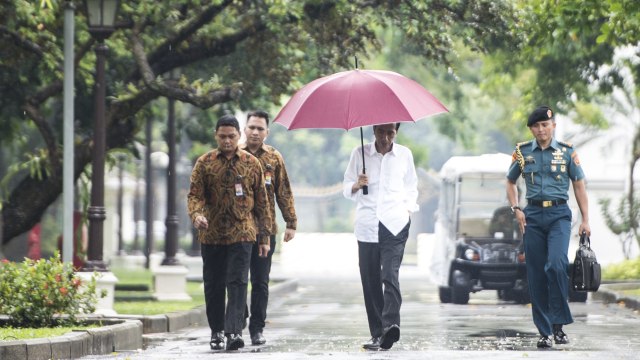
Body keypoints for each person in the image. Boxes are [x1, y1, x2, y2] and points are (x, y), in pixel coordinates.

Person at [506, 106, 591, 349]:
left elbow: (579, 184)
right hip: (531, 215)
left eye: (545, 125)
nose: (541, 129)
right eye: (537, 126)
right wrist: (516, 208)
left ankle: (559, 325)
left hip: (559, 215)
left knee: (556, 265)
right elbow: (510, 181)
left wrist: (586, 219)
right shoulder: (522, 153)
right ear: (531, 129)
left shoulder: (566, 152)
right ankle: (544, 332)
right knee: (536, 274)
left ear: (553, 126)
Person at [187, 114, 273, 351]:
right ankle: (216, 331)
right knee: (213, 284)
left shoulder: (251, 163)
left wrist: (264, 237)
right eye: (222, 136)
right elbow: (194, 195)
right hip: (211, 233)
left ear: (239, 136)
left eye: (232, 136)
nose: (227, 141)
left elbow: (263, 204)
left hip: (243, 233)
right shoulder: (204, 163)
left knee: (237, 282)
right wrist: (197, 215)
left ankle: (234, 331)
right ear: (216, 136)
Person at [342, 122, 419, 351]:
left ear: (396, 132)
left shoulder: (404, 154)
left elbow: (411, 187)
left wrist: (407, 210)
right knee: (370, 280)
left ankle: (391, 325)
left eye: (390, 133)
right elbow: (346, 187)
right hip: (367, 225)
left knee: (390, 274)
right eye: (381, 132)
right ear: (374, 130)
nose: (385, 137)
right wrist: (357, 185)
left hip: (395, 224)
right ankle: (378, 334)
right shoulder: (359, 153)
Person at [240, 110, 297, 345]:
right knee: (237, 279)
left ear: (267, 132)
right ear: (245, 129)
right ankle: (238, 316)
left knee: (261, 281)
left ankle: (257, 329)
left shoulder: (273, 157)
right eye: (251, 127)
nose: (255, 132)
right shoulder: (235, 154)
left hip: (266, 231)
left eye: (260, 129)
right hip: (238, 231)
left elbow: (283, 191)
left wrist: (291, 222)